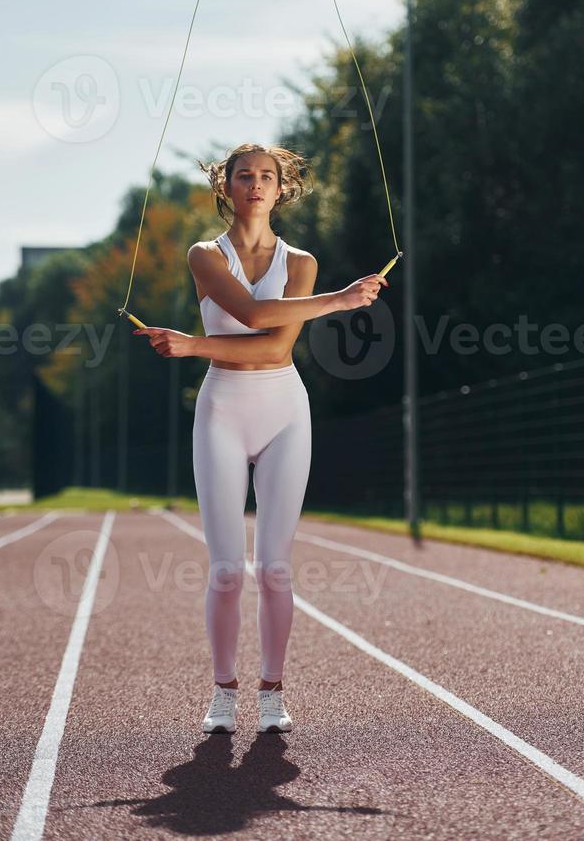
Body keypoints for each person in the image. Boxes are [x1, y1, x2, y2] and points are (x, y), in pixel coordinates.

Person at [134, 142, 387, 733]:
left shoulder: (301, 262)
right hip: (221, 408)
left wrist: (194, 345)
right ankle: (224, 692)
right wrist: (341, 303)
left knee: (274, 568)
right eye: (243, 175)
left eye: (266, 176)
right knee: (225, 570)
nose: (255, 184)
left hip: (284, 410)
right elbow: (250, 313)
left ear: (281, 188)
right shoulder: (205, 255)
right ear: (225, 187)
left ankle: (272, 692)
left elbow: (275, 346)